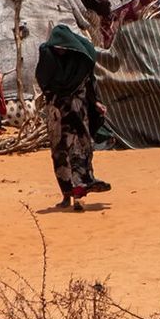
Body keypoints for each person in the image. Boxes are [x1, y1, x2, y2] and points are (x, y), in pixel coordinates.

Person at [36, 25, 110, 210]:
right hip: (57, 117)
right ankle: (66, 195)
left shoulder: (79, 64)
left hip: (78, 116)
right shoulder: (49, 60)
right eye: (57, 47)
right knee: (59, 155)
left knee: (79, 153)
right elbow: (44, 83)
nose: (60, 50)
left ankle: (79, 197)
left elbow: (90, 85)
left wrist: (96, 103)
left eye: (64, 47)